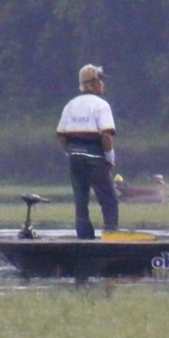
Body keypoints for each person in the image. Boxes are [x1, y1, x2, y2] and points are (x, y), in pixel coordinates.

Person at [56, 64, 119, 239]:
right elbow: (106, 135)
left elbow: (61, 135)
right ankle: (111, 235)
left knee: (81, 200)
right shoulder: (101, 105)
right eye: (101, 80)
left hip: (75, 156)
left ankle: (84, 238)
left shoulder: (70, 105)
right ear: (94, 83)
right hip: (94, 156)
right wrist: (109, 157)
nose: (103, 84)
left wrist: (70, 153)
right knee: (108, 199)